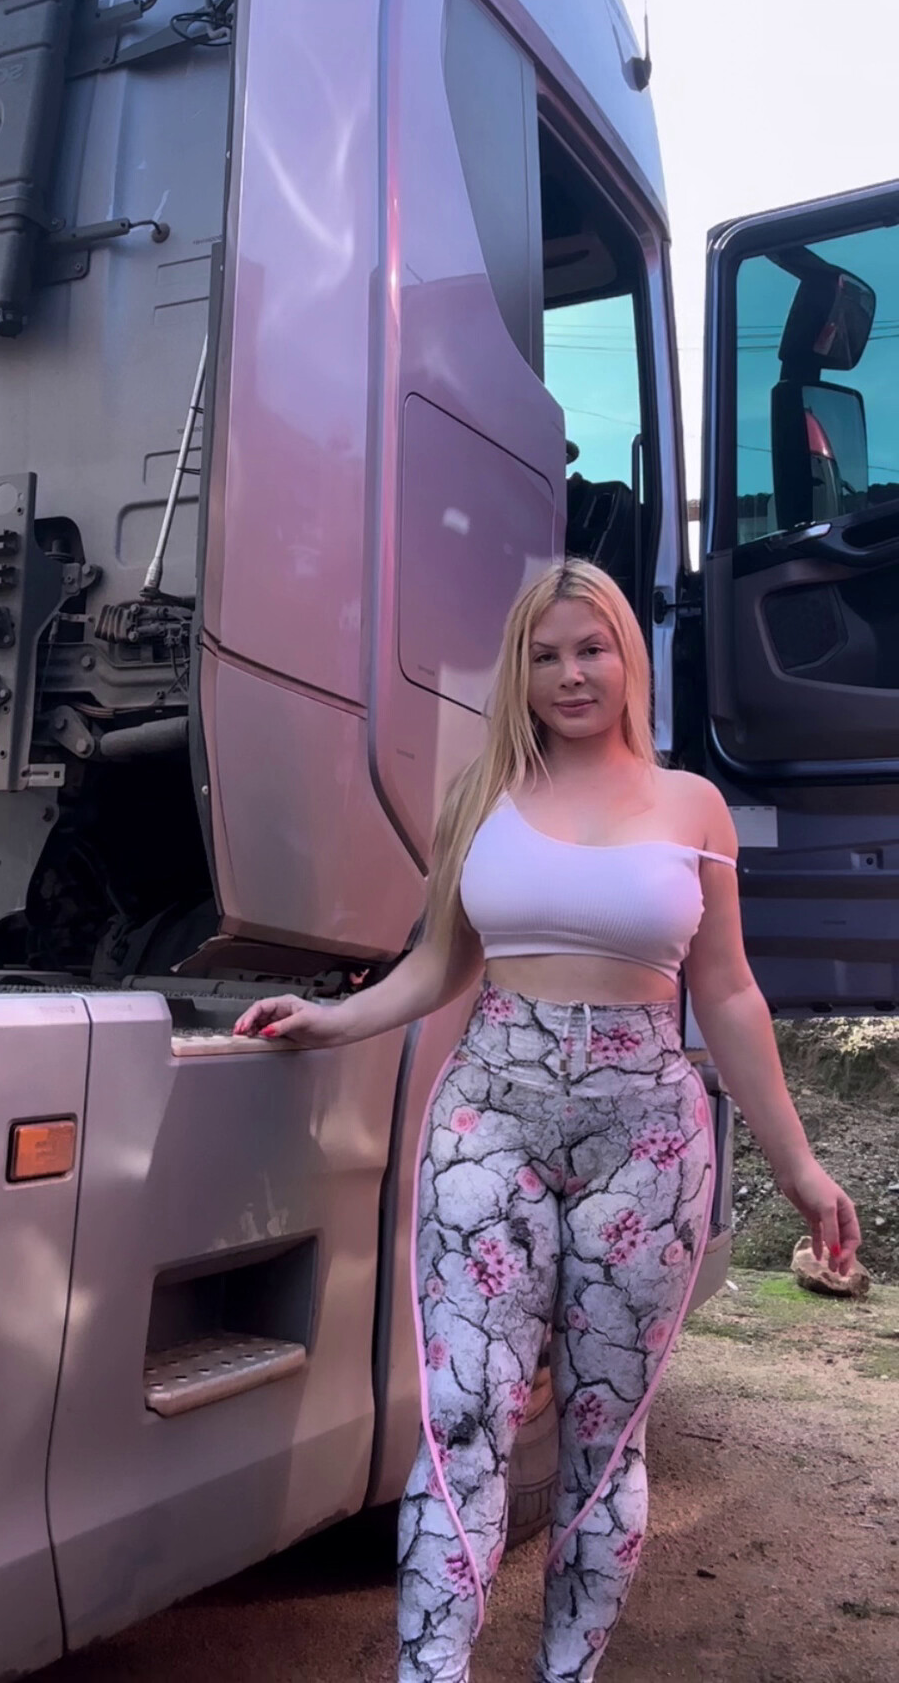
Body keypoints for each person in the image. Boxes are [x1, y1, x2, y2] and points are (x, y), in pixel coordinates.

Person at [232, 558, 861, 1683]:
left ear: (629, 660)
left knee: (603, 1436)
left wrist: (799, 1167)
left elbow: (726, 992)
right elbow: (439, 964)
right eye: (545, 654)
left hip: (648, 1140)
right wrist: (331, 1020)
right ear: (518, 673)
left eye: (593, 648)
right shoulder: (479, 797)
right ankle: (432, 1671)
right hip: (490, 1118)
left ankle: (567, 1672)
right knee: (462, 1414)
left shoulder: (693, 806)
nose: (572, 674)